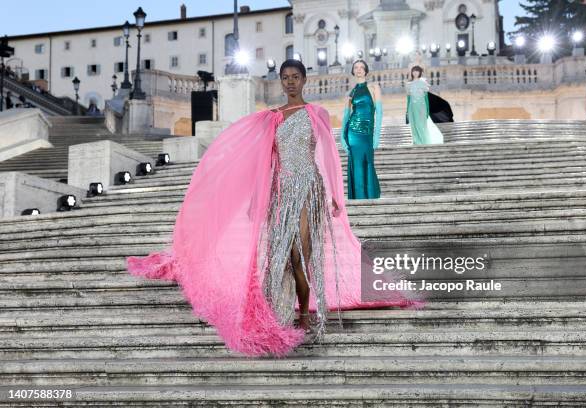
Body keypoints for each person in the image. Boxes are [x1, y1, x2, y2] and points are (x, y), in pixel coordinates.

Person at [126, 59, 419, 357]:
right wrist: (256, 200)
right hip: (280, 191)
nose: (290, 82)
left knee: (303, 255)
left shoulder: (316, 113)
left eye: (295, 77)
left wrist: (335, 195)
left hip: (308, 189)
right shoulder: (272, 118)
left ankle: (304, 312)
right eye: (285, 77)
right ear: (281, 81)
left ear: (304, 80)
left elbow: (329, 156)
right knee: (286, 258)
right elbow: (265, 162)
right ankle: (290, 309)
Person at [340, 59, 382, 199]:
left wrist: (376, 136)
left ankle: (370, 196)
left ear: (366, 70)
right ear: (353, 71)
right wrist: (342, 137)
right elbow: (346, 117)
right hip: (353, 133)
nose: (358, 69)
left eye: (361, 67)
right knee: (356, 165)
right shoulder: (350, 93)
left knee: (368, 162)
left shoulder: (374, 88)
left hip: (368, 133)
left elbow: (380, 113)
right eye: (356, 67)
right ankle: (358, 198)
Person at [406, 65, 444, 145]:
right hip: (412, 107)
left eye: (417, 71)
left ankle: (424, 141)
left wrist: (427, 109)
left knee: (422, 124)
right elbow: (408, 99)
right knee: (414, 124)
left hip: (422, 106)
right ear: (412, 72)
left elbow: (426, 98)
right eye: (414, 71)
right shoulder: (408, 84)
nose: (415, 72)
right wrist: (407, 110)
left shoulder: (423, 83)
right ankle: (416, 141)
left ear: (420, 72)